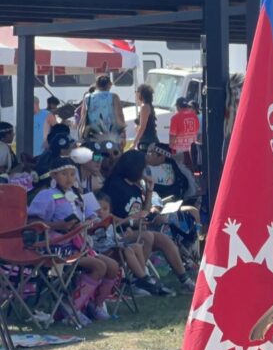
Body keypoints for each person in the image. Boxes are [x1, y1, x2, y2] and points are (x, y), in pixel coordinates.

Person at [27, 158, 122, 322]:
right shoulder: (46, 195)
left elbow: (94, 216)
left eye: (72, 174)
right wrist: (60, 225)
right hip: (54, 247)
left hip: (79, 243)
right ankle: (71, 309)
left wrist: (91, 223)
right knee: (98, 266)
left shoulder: (79, 194)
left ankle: (95, 306)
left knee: (113, 266)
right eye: (64, 174)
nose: (69, 178)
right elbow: (32, 223)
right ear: (53, 175)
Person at [101, 150, 195, 293]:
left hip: (135, 228)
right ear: (133, 167)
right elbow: (107, 216)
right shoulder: (115, 185)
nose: (144, 171)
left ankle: (185, 279)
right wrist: (131, 223)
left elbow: (144, 211)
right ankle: (137, 280)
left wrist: (149, 191)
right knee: (147, 236)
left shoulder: (134, 186)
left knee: (163, 239)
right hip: (117, 232)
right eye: (142, 167)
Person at [78, 75, 125, 145]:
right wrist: (123, 131)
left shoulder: (88, 97)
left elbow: (83, 115)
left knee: (96, 154)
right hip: (111, 134)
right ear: (110, 85)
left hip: (93, 134)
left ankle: (97, 156)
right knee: (112, 154)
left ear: (96, 85)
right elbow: (119, 115)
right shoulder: (114, 97)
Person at [169, 97, 201, 168]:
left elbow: (172, 136)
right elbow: (197, 132)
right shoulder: (195, 117)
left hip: (180, 152)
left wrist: (170, 149)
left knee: (181, 172)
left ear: (178, 107)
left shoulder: (175, 118)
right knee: (191, 173)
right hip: (192, 150)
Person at [132, 83, 159, 148]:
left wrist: (134, 143)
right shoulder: (148, 105)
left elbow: (142, 127)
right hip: (148, 140)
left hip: (148, 141)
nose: (135, 94)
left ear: (141, 94)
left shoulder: (144, 107)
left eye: (137, 92)